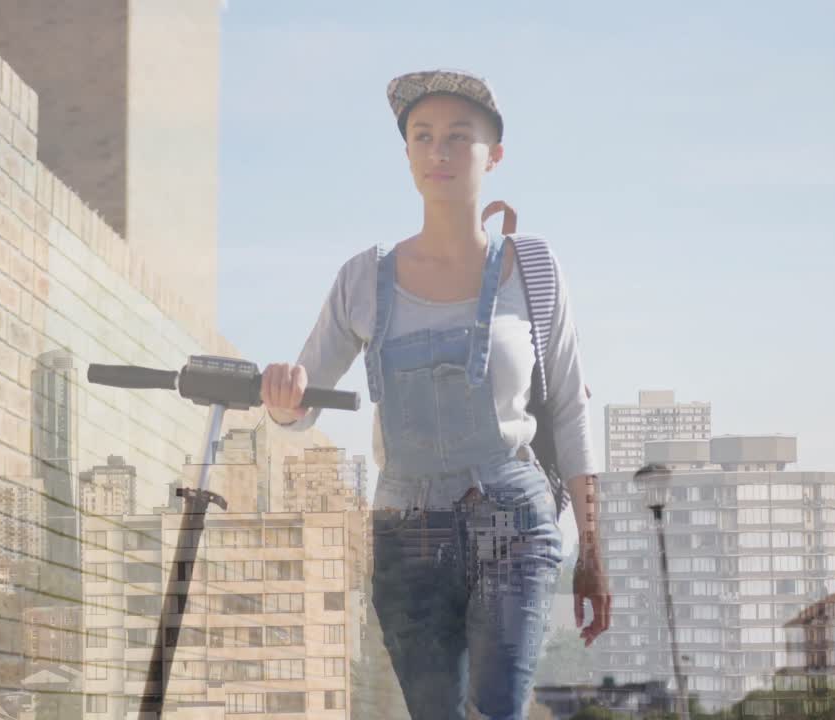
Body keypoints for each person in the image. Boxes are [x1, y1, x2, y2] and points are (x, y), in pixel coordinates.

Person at [261, 68, 611, 720]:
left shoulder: (532, 268)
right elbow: (301, 402)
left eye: (458, 137)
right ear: (407, 155)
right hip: (406, 529)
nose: (439, 152)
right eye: (423, 137)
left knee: (499, 707)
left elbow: (569, 406)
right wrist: (285, 398)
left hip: (512, 517)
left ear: (494, 155)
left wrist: (592, 552)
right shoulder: (362, 279)